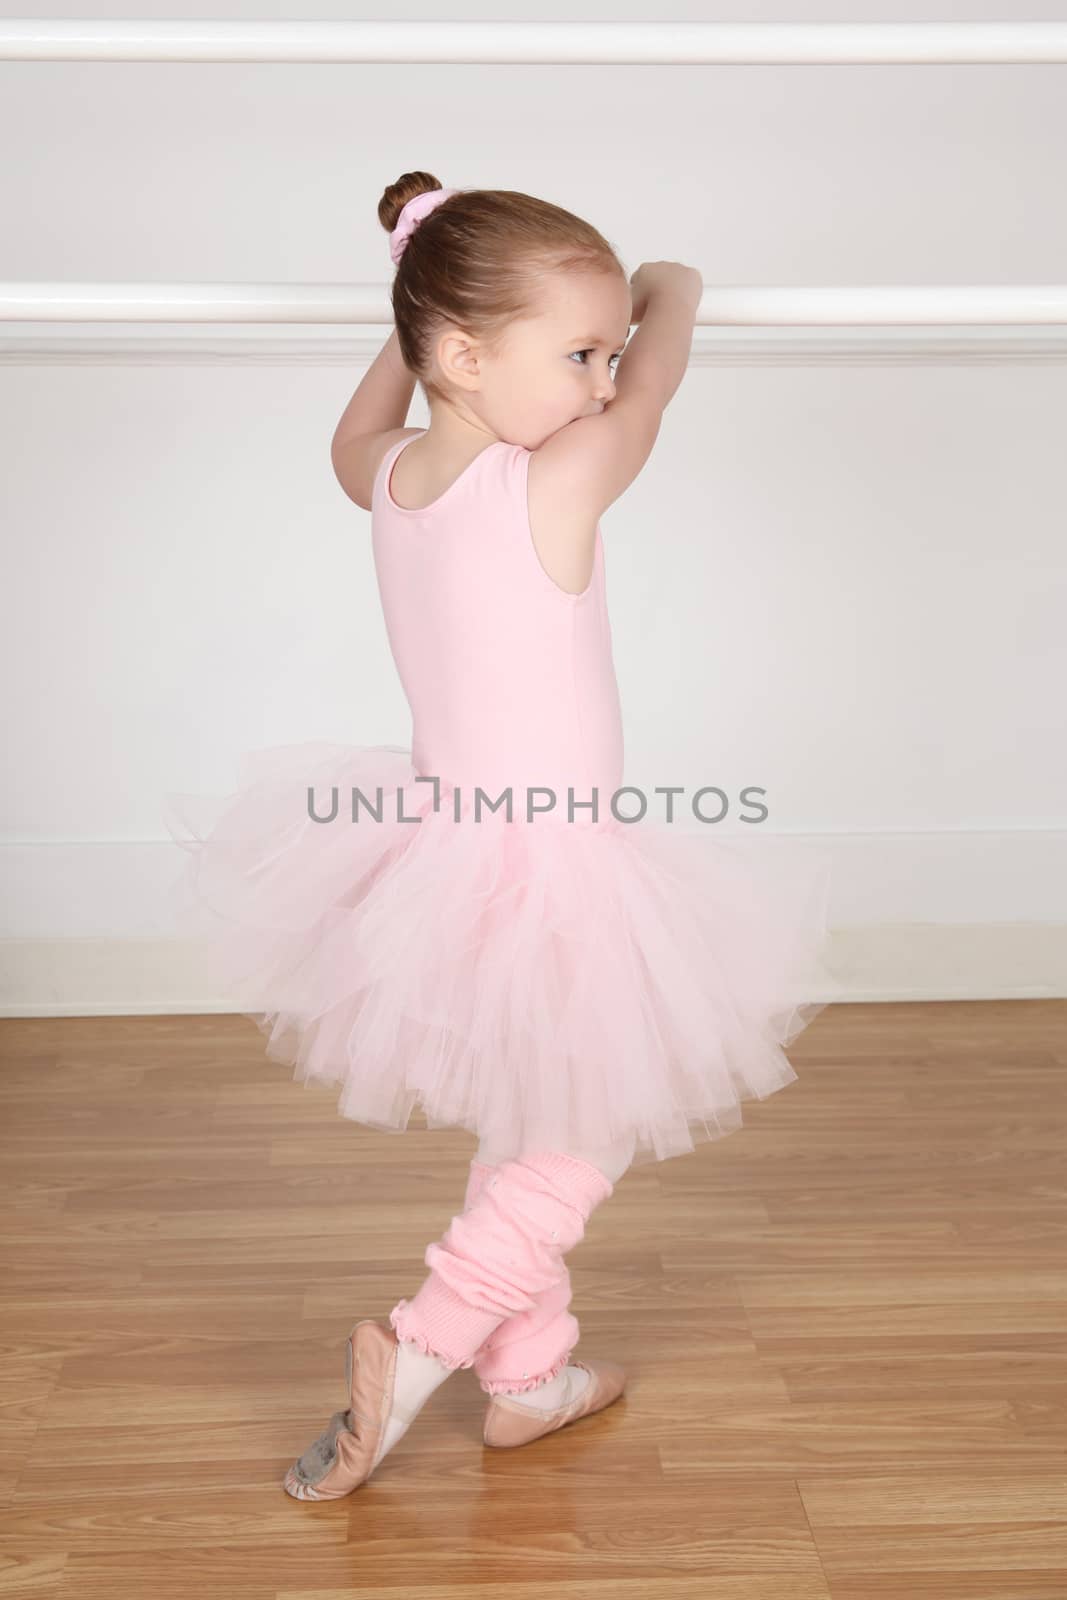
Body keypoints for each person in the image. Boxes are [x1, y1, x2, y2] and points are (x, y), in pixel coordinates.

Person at [164, 173, 835, 1501]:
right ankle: (424, 1347)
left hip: (439, 859)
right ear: (466, 354)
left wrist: (414, 326)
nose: (599, 381)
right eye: (576, 354)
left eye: (601, 352)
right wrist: (670, 288)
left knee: (538, 1104)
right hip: (565, 873)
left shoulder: (392, 480)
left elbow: (359, 417)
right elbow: (659, 382)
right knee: (584, 1129)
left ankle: (529, 1379)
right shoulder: (559, 480)